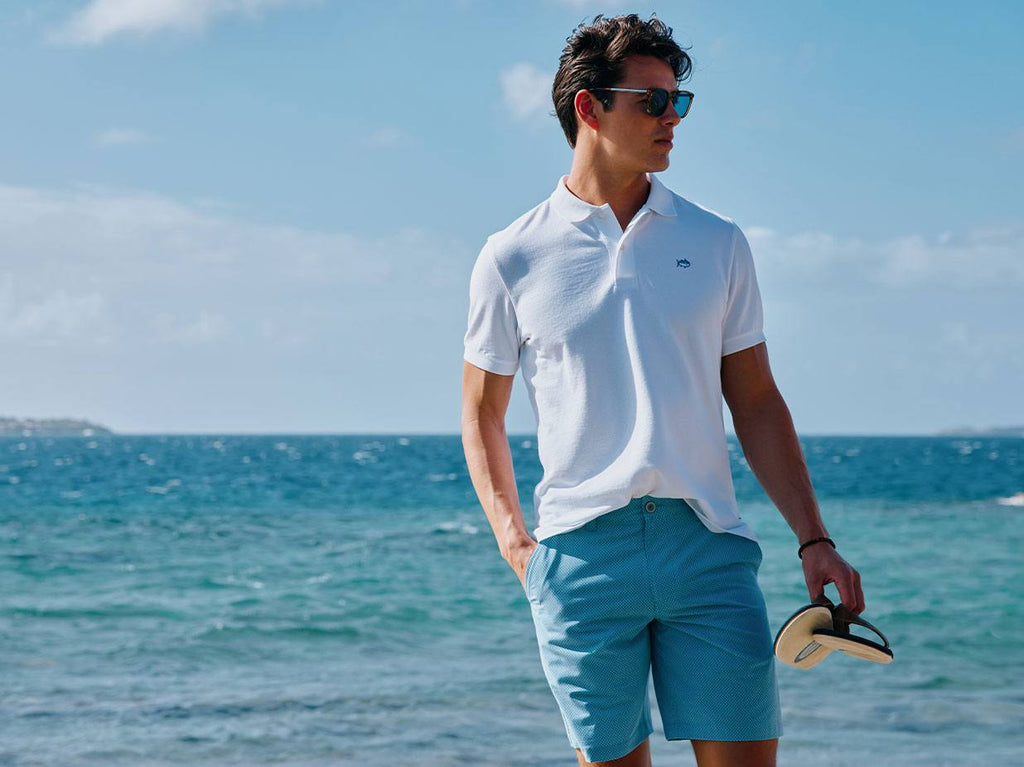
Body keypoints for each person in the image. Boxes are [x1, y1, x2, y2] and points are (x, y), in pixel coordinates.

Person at [460, 13, 864, 767]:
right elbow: (481, 411)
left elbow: (757, 400)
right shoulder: (512, 255)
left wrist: (815, 539)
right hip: (582, 558)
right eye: (652, 101)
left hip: (708, 549)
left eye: (679, 101)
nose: (672, 117)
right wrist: (518, 546)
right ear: (589, 107)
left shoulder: (716, 241)